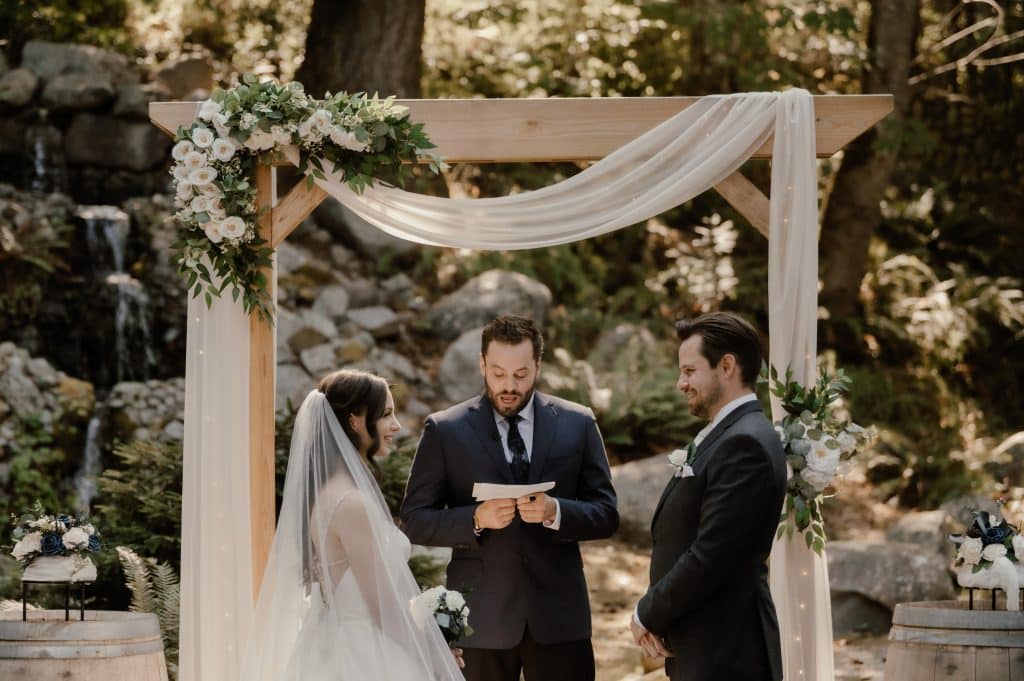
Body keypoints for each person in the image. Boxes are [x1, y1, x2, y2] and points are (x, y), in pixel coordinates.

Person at [401, 314, 619, 681]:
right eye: (498, 373)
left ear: (538, 366)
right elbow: (414, 519)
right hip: (480, 619)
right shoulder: (445, 429)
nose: (509, 386)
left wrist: (556, 512)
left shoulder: (578, 423)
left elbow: (607, 513)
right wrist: (474, 519)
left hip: (559, 618)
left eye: (520, 375)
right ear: (482, 364)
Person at [240, 369, 464, 681]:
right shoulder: (351, 503)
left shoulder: (328, 493)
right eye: (386, 415)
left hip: (332, 643)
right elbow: (382, 606)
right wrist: (435, 658)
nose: (396, 425)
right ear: (355, 420)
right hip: (364, 656)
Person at [630, 312, 786, 681]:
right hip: (704, 643)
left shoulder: (744, 442)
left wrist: (647, 612)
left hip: (727, 652)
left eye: (689, 371)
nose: (680, 383)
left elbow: (711, 554)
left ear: (727, 366)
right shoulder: (727, 433)